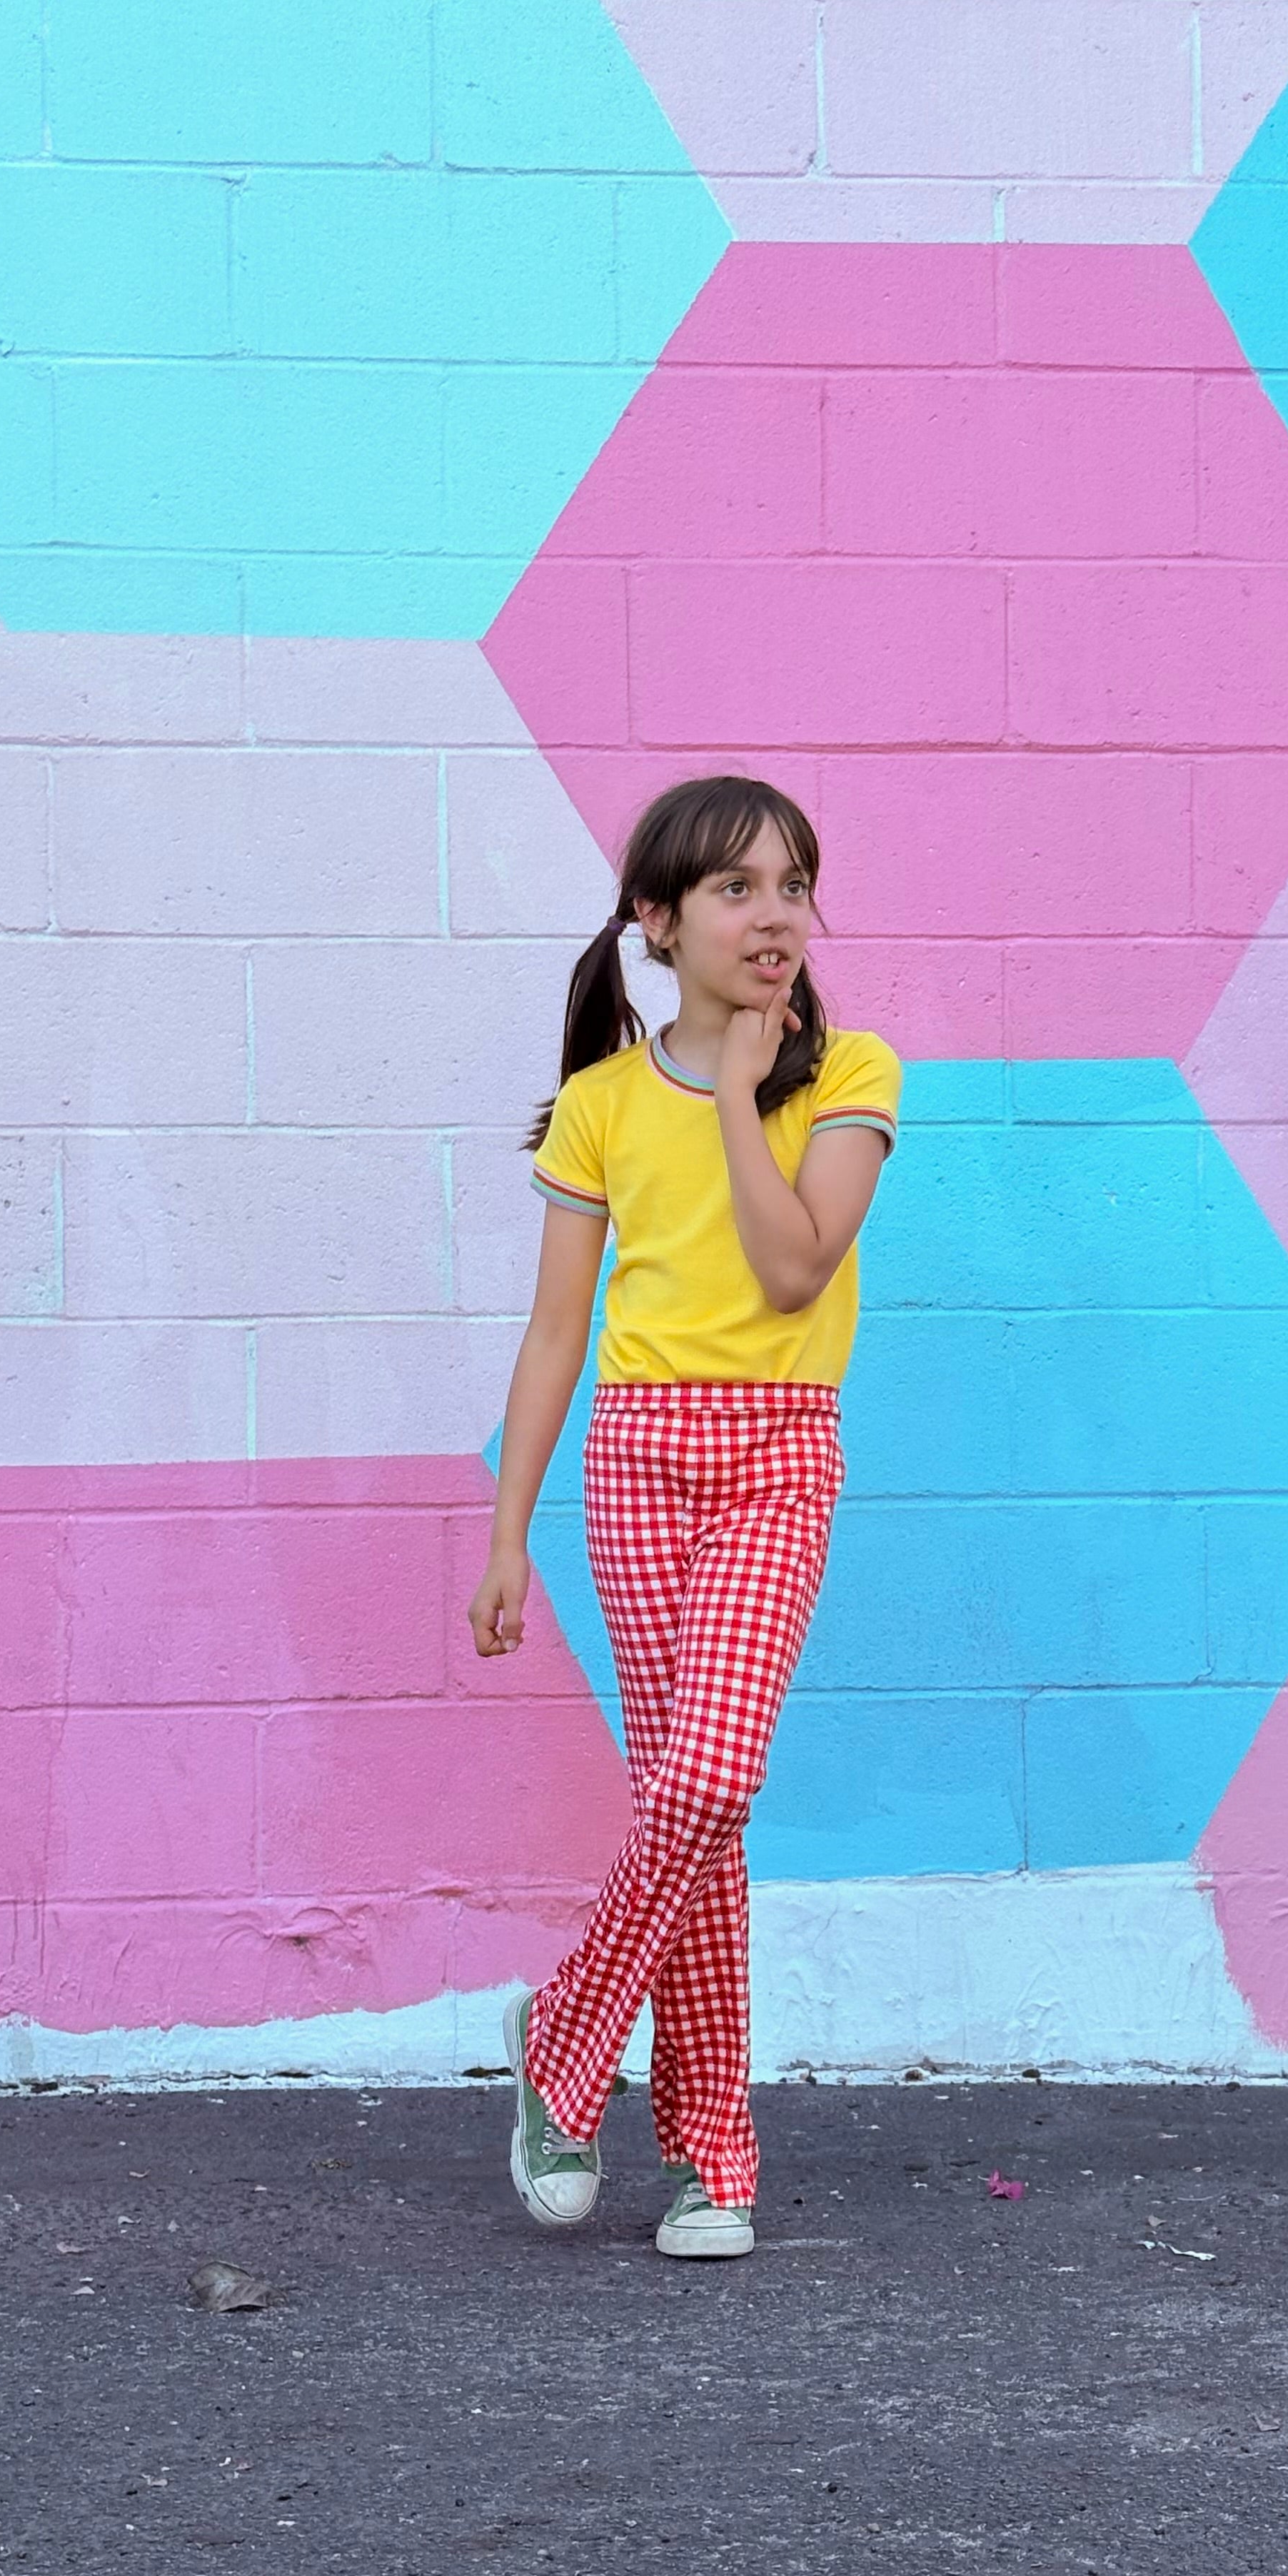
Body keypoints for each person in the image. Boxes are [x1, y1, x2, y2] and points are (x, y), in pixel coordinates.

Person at [467, 776, 901, 2258]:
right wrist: (507, 1530)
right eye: (736, 889)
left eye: (792, 885)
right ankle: (716, 2157)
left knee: (713, 1773)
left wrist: (734, 1087)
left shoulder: (853, 1076)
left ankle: (566, 2037)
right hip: (638, 1461)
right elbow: (552, 1341)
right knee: (691, 1816)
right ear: (657, 921)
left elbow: (792, 1273)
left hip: (780, 1450)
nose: (774, 915)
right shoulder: (597, 1109)